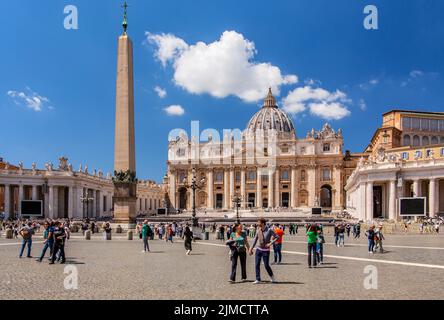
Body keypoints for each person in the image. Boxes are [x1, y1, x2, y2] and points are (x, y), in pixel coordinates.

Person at [249, 218, 278, 284]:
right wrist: (251, 248)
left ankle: (272, 277)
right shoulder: (258, 230)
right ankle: (258, 279)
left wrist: (270, 243)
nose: (257, 223)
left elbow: (277, 237)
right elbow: (255, 240)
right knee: (257, 264)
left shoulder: (269, 230)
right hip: (258, 249)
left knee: (266, 265)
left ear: (262, 223)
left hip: (266, 250)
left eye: (258, 222)